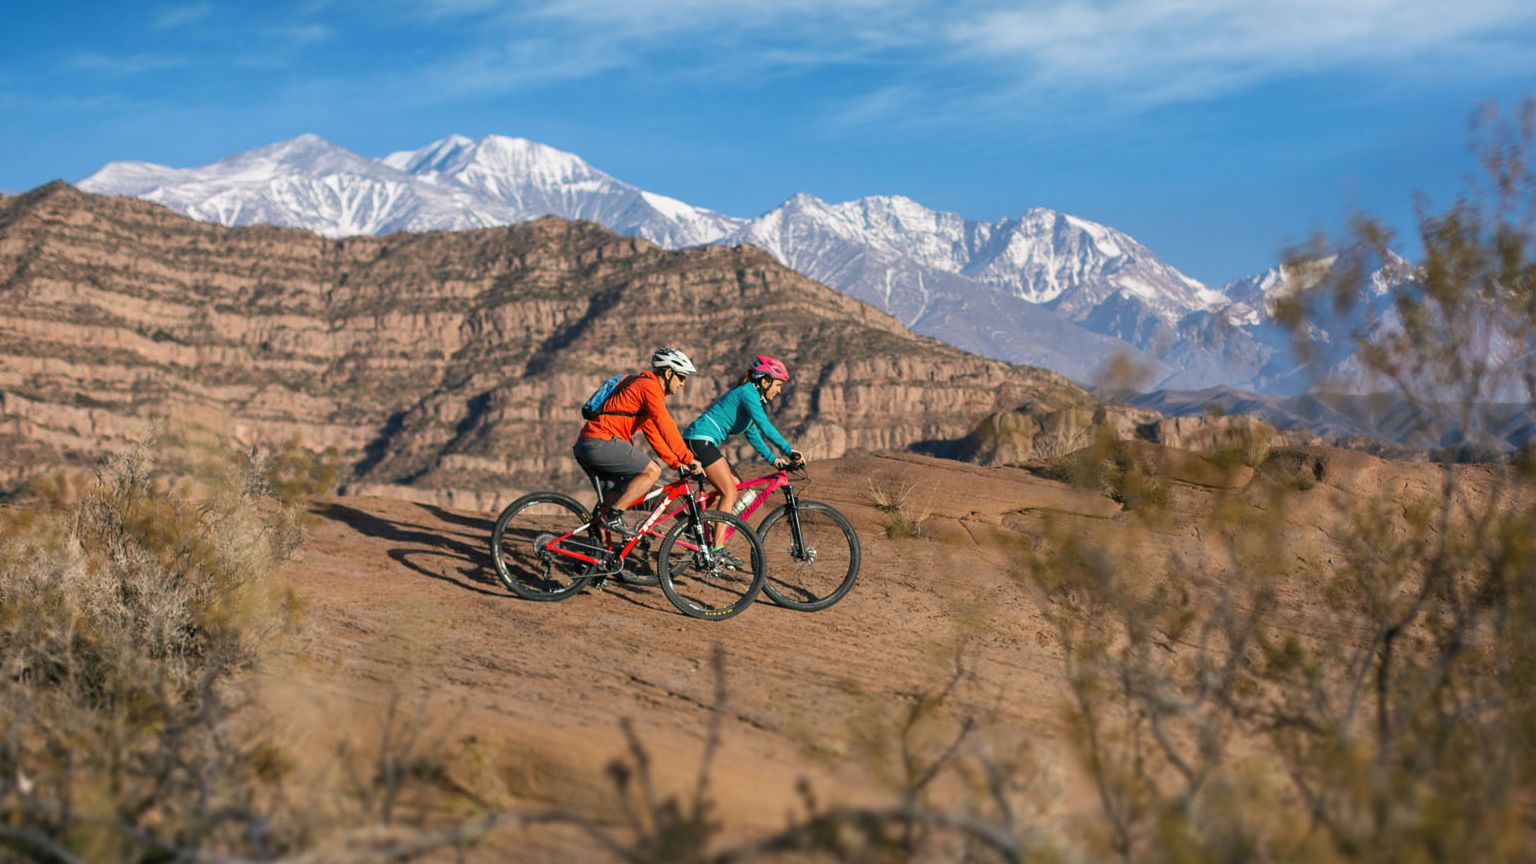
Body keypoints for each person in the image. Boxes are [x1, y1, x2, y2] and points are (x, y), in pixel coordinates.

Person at [573, 347, 703, 535]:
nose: (683, 383)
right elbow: (665, 423)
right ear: (668, 372)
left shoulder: (641, 389)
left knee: (613, 497)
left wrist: (676, 462)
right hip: (600, 441)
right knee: (652, 471)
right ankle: (613, 516)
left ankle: (594, 555)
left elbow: (654, 435)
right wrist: (688, 457)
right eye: (681, 377)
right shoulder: (649, 387)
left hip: (587, 444)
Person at [681, 354, 803, 517]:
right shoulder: (748, 393)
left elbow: (753, 435)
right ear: (765, 381)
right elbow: (764, 426)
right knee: (730, 492)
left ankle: (692, 519)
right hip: (699, 440)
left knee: (736, 484)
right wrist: (789, 451)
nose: (779, 390)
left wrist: (774, 460)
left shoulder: (750, 396)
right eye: (778, 384)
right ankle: (717, 543)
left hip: (700, 440)